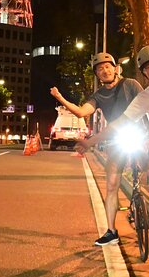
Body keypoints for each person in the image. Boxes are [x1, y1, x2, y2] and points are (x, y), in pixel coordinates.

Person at [76, 45, 149, 277]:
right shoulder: (145, 96)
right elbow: (120, 122)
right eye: (147, 67)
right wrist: (91, 141)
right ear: (144, 73)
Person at [50, 52, 143, 246]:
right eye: (100, 69)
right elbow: (81, 112)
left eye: (107, 66)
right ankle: (111, 231)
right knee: (111, 185)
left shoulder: (131, 85)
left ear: (115, 68)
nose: (104, 70)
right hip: (117, 139)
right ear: (97, 75)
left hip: (141, 136)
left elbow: (147, 106)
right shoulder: (99, 95)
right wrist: (60, 97)